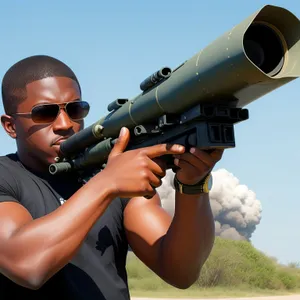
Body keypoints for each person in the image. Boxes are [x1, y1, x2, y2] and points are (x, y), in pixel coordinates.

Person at [0, 55, 223, 299]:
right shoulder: (7, 177)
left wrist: (192, 185)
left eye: (75, 109)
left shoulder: (111, 176)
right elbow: (27, 265)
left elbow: (180, 271)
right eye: (44, 113)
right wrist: (107, 183)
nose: (65, 124)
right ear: (10, 126)